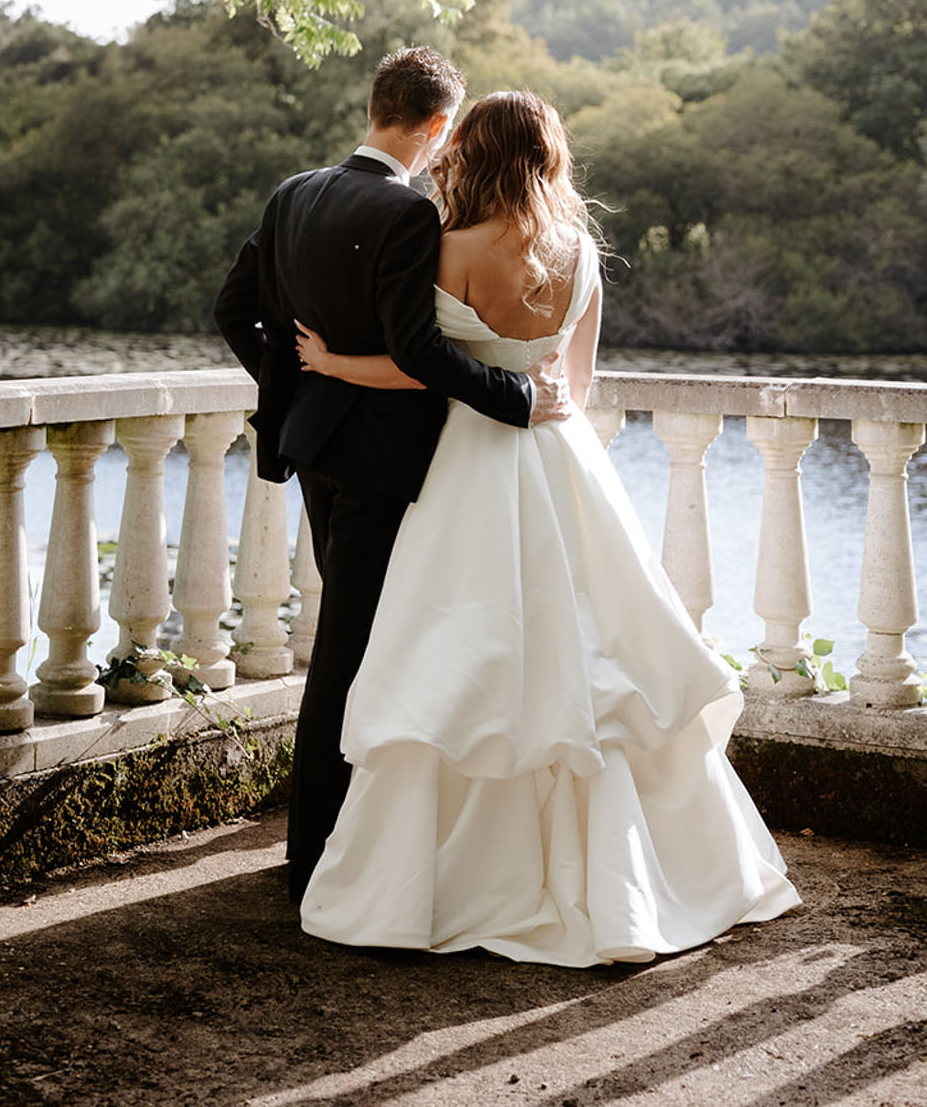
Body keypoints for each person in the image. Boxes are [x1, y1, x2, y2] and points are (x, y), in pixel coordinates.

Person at [291, 90, 800, 965]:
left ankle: (440, 885)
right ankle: (634, 885)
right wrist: (541, 398)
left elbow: (423, 368)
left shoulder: (446, 247)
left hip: (469, 465)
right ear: (550, 157)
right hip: (563, 460)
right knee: (589, 652)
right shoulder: (582, 255)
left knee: (457, 657)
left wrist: (332, 362)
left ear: (472, 156)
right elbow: (579, 386)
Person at [214, 48, 566, 904]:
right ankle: (319, 853)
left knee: (354, 639)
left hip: (316, 453)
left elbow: (233, 310)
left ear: (377, 107)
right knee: (350, 650)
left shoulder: (293, 192)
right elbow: (416, 353)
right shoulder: (408, 216)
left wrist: (297, 383)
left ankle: (346, 837)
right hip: (381, 462)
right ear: (439, 125)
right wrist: (517, 397)